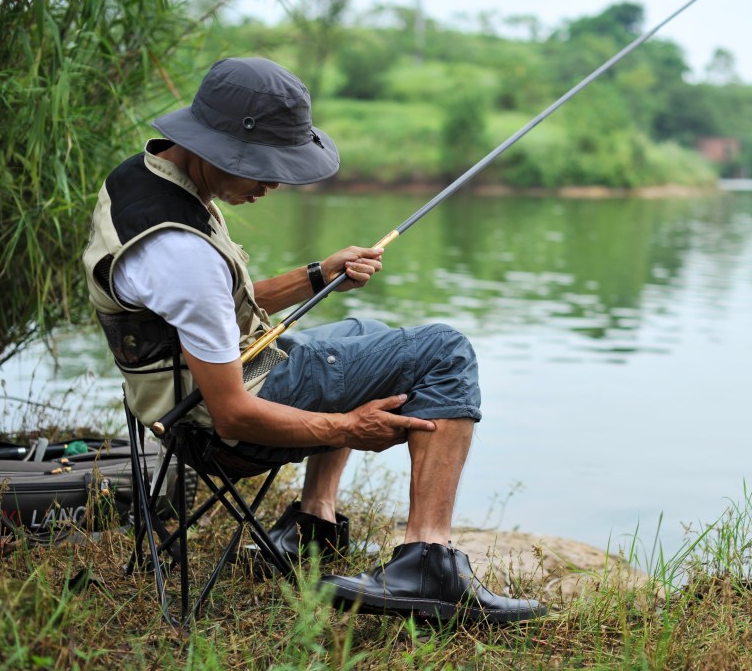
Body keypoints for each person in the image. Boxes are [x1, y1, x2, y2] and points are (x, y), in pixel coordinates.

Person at [83, 57, 545, 623]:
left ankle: (314, 523)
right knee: (445, 350)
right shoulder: (182, 255)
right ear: (217, 147)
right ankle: (428, 563)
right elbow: (233, 416)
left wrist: (318, 276)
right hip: (220, 423)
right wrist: (349, 427)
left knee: (364, 333)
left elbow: (211, 307)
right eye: (262, 167)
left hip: (175, 397)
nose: (273, 184)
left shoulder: (143, 179)